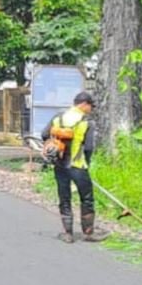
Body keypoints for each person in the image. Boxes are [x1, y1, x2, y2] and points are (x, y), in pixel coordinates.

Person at [41, 90, 106, 243]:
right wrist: (86, 163)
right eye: (91, 106)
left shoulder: (58, 117)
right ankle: (88, 233)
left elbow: (44, 134)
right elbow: (89, 147)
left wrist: (54, 146)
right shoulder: (86, 122)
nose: (91, 109)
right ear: (83, 104)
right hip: (78, 166)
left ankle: (68, 234)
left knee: (64, 198)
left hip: (59, 164)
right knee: (87, 198)